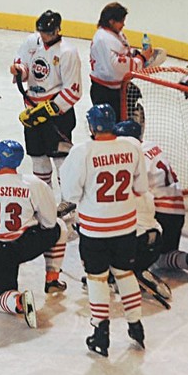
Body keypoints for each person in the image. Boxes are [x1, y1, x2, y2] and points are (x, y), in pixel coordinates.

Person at [60, 104, 148, 356]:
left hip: (95, 229)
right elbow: (141, 187)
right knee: (125, 273)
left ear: (90, 126)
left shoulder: (82, 152)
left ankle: (100, 332)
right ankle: (136, 326)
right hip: (126, 226)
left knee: (97, 278)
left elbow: (71, 194)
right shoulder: (132, 148)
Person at [0, 140, 68, 329]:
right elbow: (50, 223)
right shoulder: (34, 184)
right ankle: (52, 278)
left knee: (1, 299)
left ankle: (18, 301)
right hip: (25, 245)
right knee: (60, 227)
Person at [119, 113, 188, 284]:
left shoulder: (136, 157)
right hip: (177, 213)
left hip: (161, 215)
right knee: (162, 259)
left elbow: (135, 190)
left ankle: (135, 269)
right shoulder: (151, 146)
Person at [10, 10, 82, 217]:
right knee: (38, 157)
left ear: (58, 30)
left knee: (61, 158)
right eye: (42, 31)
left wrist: (47, 110)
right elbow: (23, 66)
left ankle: (68, 199)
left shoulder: (68, 52)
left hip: (58, 115)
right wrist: (19, 70)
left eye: (49, 32)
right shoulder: (32, 42)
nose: (44, 36)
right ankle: (45, 199)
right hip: (32, 110)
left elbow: (73, 90)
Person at [89, 2, 154, 118]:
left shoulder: (116, 34)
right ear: (111, 21)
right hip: (105, 93)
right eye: (121, 21)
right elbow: (116, 67)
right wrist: (142, 58)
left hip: (118, 89)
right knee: (109, 127)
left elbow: (124, 53)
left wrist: (137, 55)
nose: (123, 24)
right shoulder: (103, 39)